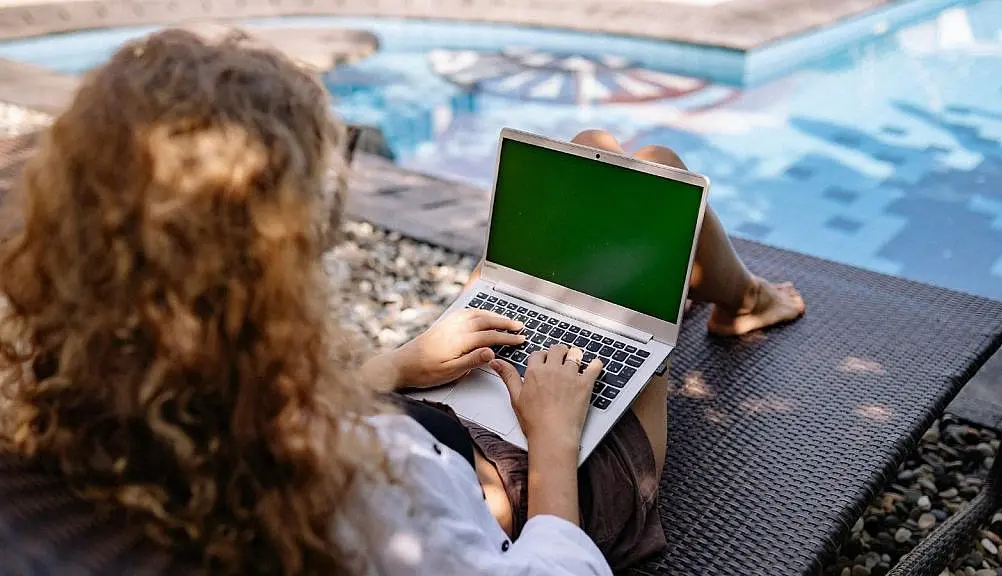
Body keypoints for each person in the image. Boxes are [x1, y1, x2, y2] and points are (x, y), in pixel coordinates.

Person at [0, 29, 803, 576]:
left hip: (429, 423)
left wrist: (391, 366)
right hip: (531, 479)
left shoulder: (67, 393)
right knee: (652, 173)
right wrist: (556, 440)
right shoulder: (355, 494)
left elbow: (227, 404)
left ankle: (723, 294)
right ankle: (741, 303)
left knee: (603, 160)